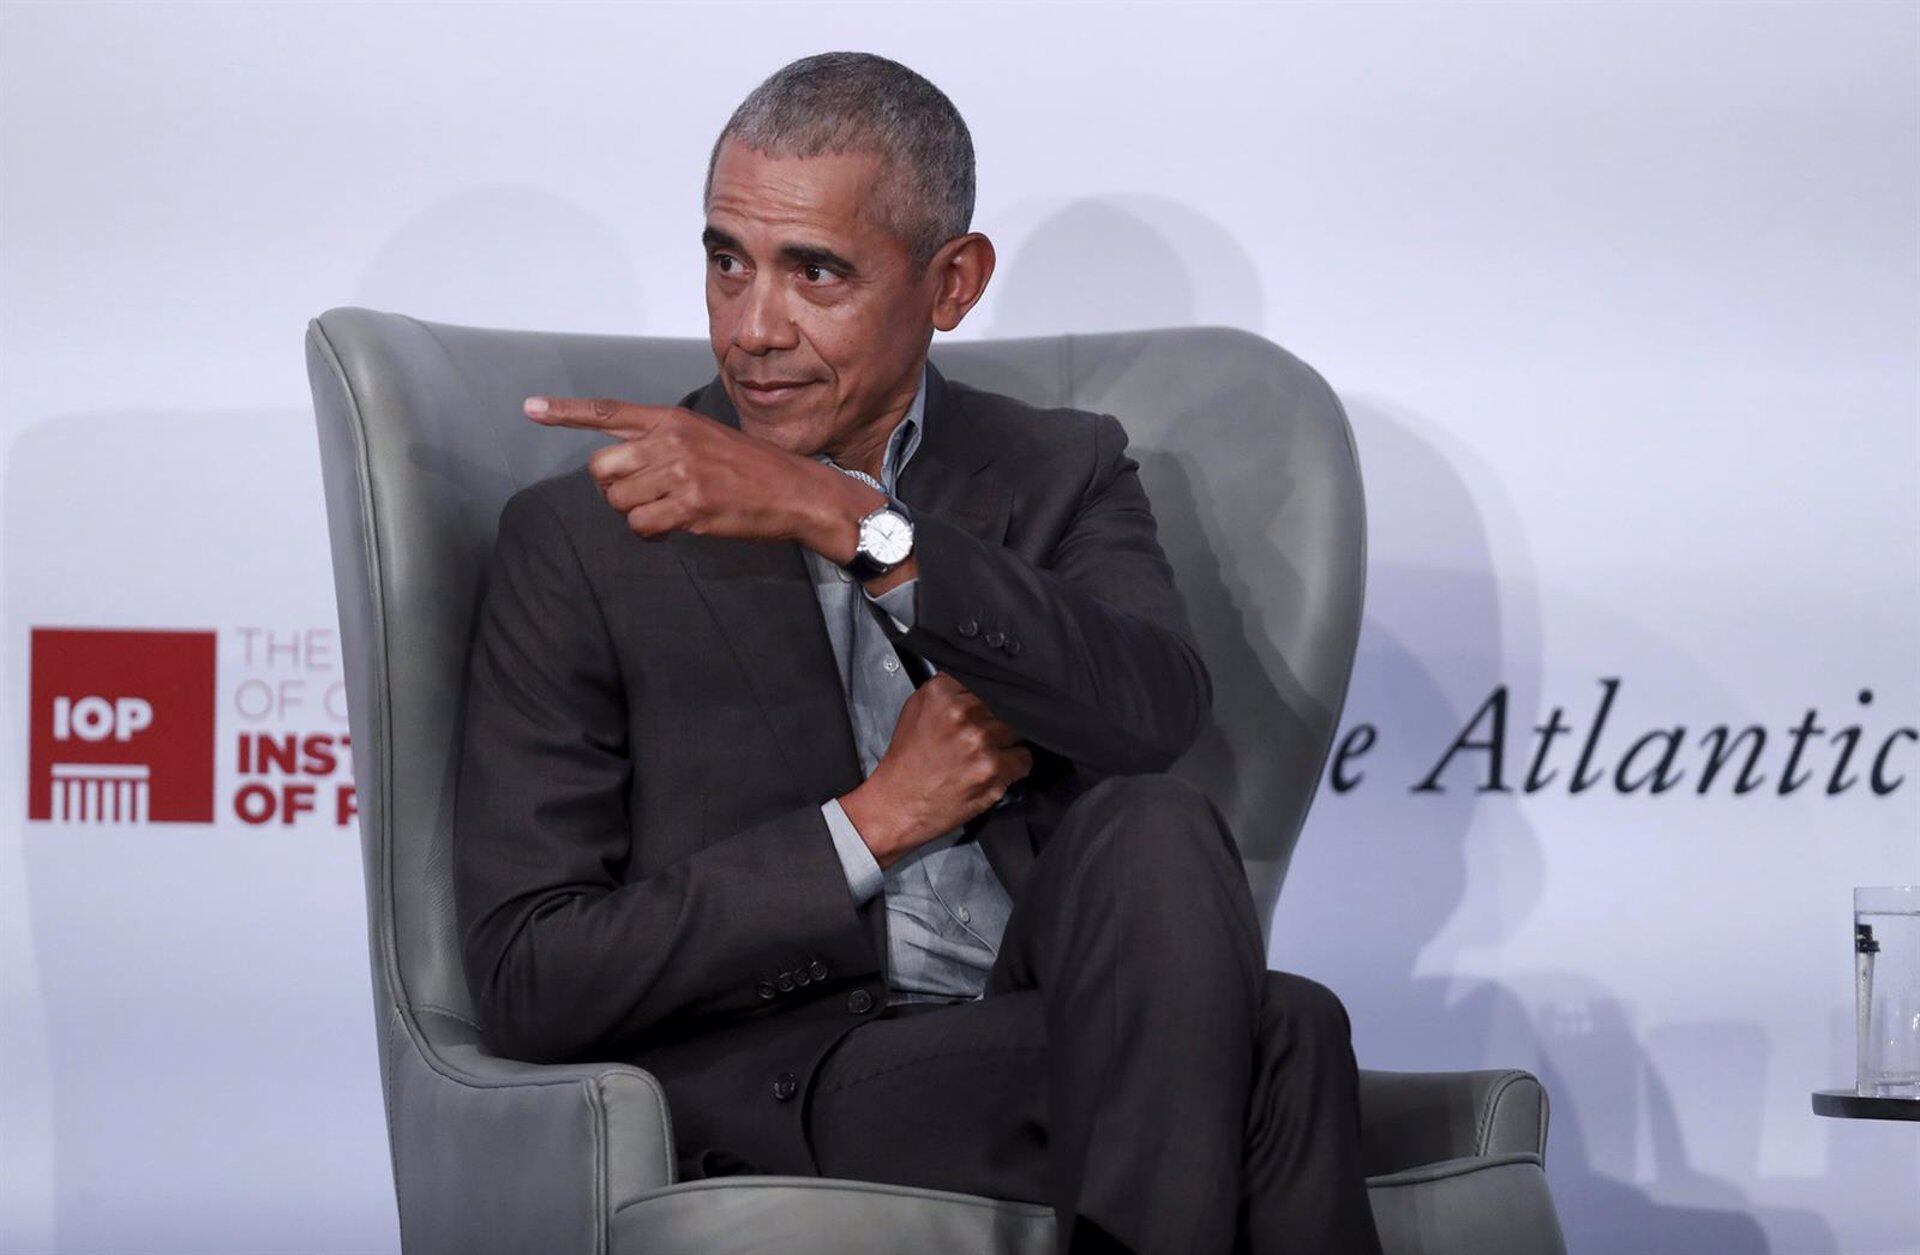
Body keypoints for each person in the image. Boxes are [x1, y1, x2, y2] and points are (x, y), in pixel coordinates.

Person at [452, 50, 1382, 1255]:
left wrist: (853, 521)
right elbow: (530, 974)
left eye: (815, 273)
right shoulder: (581, 537)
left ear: (952, 282)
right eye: (725, 259)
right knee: (1285, 1037)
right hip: (801, 1069)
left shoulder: (1060, 468)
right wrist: (871, 822)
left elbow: (1153, 712)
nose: (752, 326)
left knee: (1156, 825)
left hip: (1041, 1016)